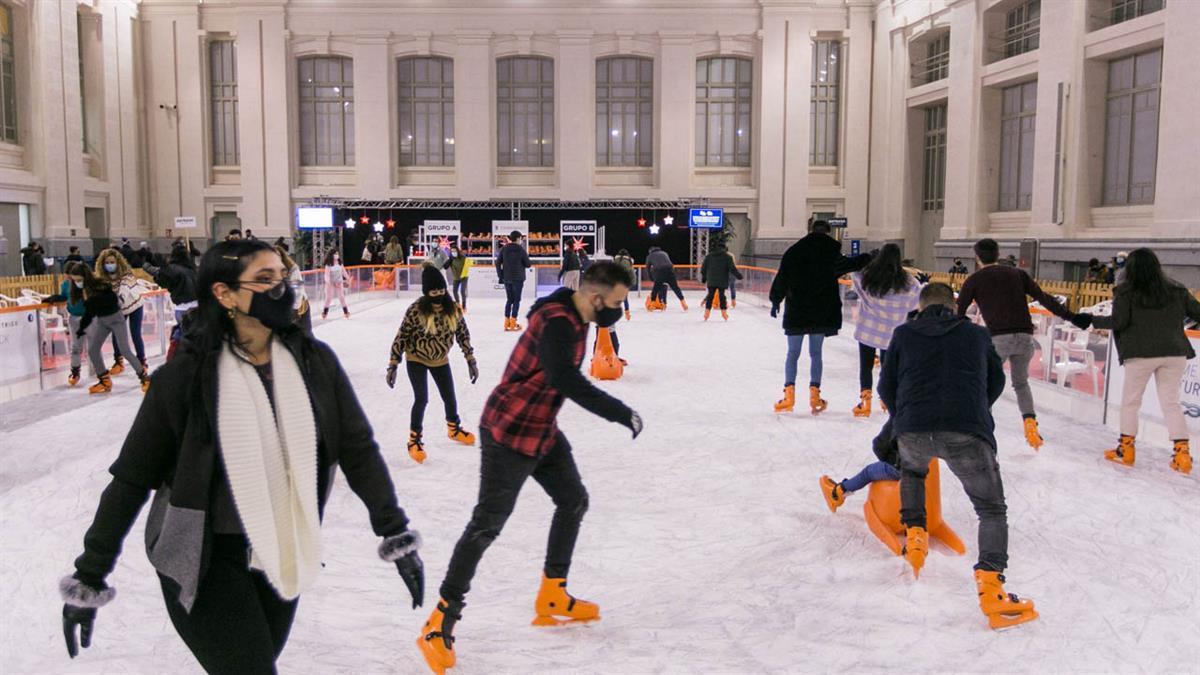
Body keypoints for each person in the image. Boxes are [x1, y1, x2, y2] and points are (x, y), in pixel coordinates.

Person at [58, 239, 425, 672]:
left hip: (281, 549)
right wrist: (90, 573)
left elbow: (357, 449)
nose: (281, 290)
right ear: (224, 294)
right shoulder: (186, 376)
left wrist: (394, 531)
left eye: (282, 278)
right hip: (204, 558)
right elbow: (132, 478)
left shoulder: (315, 364)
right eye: (264, 280)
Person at [416, 262, 643, 673]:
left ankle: (553, 593)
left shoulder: (576, 315)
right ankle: (439, 621)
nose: (618, 311)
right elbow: (564, 379)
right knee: (487, 524)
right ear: (595, 298)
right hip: (509, 430)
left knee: (573, 500)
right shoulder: (558, 322)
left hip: (541, 428)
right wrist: (618, 411)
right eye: (616, 303)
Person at [879, 282, 1037, 630]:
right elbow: (995, 382)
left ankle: (916, 535)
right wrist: (973, 410)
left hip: (913, 429)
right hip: (966, 431)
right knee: (991, 509)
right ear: (954, 308)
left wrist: (904, 416)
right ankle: (992, 587)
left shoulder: (904, 334)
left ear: (920, 307)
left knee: (914, 472)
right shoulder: (978, 336)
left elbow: (885, 386)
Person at [1076, 249, 1199, 473]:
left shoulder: (1126, 291)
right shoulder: (1177, 289)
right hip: (1174, 353)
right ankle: (1182, 454)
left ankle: (1126, 449)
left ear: (1130, 268)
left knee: (1131, 402)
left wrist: (1091, 319)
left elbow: (1119, 321)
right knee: (1171, 403)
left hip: (1140, 353)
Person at [956, 238, 1085, 449]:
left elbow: (959, 311)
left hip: (998, 339)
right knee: (1021, 383)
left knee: (984, 382)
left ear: (977, 257)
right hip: (1025, 339)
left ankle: (978, 427)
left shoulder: (975, 280)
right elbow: (1044, 298)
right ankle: (1030, 425)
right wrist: (1071, 317)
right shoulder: (1018, 274)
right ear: (998, 254)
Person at [768, 219, 871, 415]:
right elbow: (851, 264)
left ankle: (789, 396)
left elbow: (783, 277)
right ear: (829, 233)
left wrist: (775, 301)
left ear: (810, 231)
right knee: (816, 354)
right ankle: (815, 397)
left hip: (797, 309)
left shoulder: (794, 251)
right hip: (821, 311)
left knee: (793, 353)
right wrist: (868, 257)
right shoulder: (831, 252)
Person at [387, 267, 480, 465]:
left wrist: (470, 359)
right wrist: (393, 364)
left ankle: (453, 428)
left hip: (440, 360)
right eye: (433, 292)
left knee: (449, 396)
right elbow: (401, 336)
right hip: (416, 358)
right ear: (426, 292)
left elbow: (463, 334)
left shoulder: (453, 309)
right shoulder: (415, 310)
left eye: (441, 291)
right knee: (422, 399)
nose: (438, 295)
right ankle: (414, 440)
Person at [849, 243, 922, 417]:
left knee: (865, 366)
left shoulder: (868, 276)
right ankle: (886, 399)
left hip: (868, 329)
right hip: (891, 332)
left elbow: (855, 275)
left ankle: (865, 401)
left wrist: (867, 260)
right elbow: (916, 298)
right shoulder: (906, 280)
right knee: (887, 367)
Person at [74, 262, 151, 394]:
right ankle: (104, 379)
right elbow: (89, 312)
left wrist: (95, 302)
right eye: (75, 280)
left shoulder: (100, 285)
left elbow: (112, 301)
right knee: (93, 350)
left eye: (79, 280)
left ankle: (144, 377)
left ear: (85, 276)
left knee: (125, 350)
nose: (77, 282)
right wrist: (82, 328)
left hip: (115, 319)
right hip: (102, 321)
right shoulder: (84, 290)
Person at [819, 419, 901, 512]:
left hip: (905, 468)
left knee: (868, 472)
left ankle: (838, 492)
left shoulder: (900, 414)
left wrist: (893, 461)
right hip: (920, 469)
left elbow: (879, 446)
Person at [96, 249, 153, 375]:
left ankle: (141, 361)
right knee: (116, 334)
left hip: (134, 305)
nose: (110, 264)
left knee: (135, 334)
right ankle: (118, 361)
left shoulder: (127, 275)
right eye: (107, 262)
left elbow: (123, 294)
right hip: (119, 309)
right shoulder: (103, 279)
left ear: (118, 262)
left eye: (112, 262)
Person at [44, 262, 90, 386]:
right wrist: (54, 298)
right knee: (76, 347)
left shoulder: (86, 284)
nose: (69, 279)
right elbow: (64, 297)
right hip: (74, 318)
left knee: (93, 346)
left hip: (90, 318)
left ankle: (98, 370)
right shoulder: (65, 285)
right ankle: (75, 372)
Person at [145, 244, 199, 350]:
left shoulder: (173, 269)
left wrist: (149, 266)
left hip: (182, 308)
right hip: (198, 306)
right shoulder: (193, 270)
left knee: (185, 335)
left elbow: (164, 279)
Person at [496, 230, 532, 331]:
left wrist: (501, 275)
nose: (521, 240)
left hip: (507, 278)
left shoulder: (504, 249)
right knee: (516, 300)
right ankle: (513, 323)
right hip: (518, 279)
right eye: (520, 238)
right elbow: (528, 264)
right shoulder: (520, 249)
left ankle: (506, 322)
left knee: (509, 300)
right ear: (517, 239)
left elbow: (498, 263)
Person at [700, 243, 742, 321]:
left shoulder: (709, 256)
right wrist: (739, 276)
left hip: (711, 280)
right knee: (722, 296)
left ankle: (706, 313)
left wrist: (704, 278)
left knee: (710, 296)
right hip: (722, 280)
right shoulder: (728, 257)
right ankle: (724, 313)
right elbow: (732, 269)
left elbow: (703, 268)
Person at [277, 245, 312, 333]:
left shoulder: (292, 269)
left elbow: (298, 291)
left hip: (298, 308)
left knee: (305, 335)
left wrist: (295, 309)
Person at [645, 246, 687, 311]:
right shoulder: (664, 253)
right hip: (670, 270)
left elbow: (647, 268)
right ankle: (683, 302)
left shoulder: (650, 256)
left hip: (660, 271)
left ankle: (652, 305)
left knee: (655, 288)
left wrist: (651, 278)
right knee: (675, 287)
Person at [321, 249, 350, 320]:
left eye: (337, 254)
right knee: (328, 298)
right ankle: (325, 313)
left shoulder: (340, 263)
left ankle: (346, 312)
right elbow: (326, 275)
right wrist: (328, 282)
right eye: (335, 254)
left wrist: (347, 278)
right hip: (330, 283)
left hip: (339, 282)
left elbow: (343, 271)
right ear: (332, 255)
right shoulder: (329, 264)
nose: (337, 255)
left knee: (341, 297)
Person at [448, 243, 472, 312]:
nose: (453, 253)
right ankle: (458, 304)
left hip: (464, 277)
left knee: (462, 291)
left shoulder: (463, 258)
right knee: (454, 291)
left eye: (454, 251)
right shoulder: (451, 259)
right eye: (452, 251)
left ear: (457, 251)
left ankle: (464, 305)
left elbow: (469, 263)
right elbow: (446, 265)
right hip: (456, 277)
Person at [613, 249, 635, 320]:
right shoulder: (629, 261)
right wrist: (632, 281)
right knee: (625, 298)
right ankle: (627, 314)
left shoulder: (615, 260)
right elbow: (631, 272)